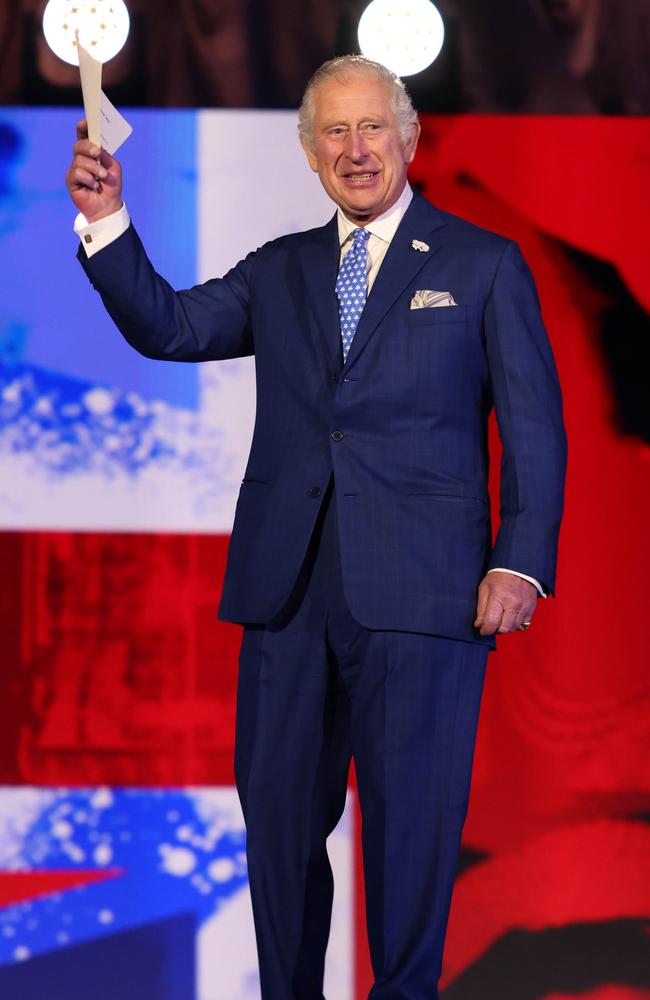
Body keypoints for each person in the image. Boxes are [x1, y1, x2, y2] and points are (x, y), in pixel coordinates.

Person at [65, 55, 567, 999]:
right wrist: (106, 222)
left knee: (411, 828)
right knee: (282, 828)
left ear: (409, 139)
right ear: (307, 152)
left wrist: (522, 562)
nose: (356, 148)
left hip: (424, 598)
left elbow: (536, 428)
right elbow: (169, 325)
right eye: (334, 132)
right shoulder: (282, 269)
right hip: (288, 593)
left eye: (373, 127)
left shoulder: (482, 265)